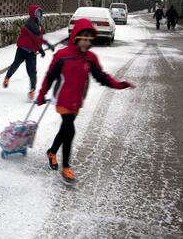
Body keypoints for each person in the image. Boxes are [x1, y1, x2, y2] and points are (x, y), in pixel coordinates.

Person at [36, 19, 135, 184]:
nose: (87, 43)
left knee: (64, 130)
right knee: (70, 131)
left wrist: (120, 84)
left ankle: (52, 152)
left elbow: (101, 77)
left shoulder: (90, 58)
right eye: (84, 38)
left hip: (76, 101)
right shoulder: (62, 56)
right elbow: (50, 76)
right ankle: (66, 167)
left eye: (90, 40)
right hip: (62, 99)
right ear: (76, 37)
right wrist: (41, 95)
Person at [3, 4, 55, 100]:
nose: (39, 15)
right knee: (20, 67)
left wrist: (40, 49)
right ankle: (8, 79)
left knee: (29, 70)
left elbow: (37, 40)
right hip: (25, 50)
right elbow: (37, 39)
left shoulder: (36, 23)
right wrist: (45, 47)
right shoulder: (31, 23)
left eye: (40, 13)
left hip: (29, 51)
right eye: (37, 13)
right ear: (33, 14)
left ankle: (31, 89)